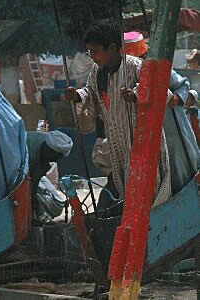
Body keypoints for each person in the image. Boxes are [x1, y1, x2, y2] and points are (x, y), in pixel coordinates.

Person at [64, 19, 171, 214]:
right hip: (118, 145)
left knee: (150, 193)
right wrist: (78, 96)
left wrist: (137, 95)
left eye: (95, 51)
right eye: (89, 51)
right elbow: (90, 92)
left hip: (143, 145)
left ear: (112, 48)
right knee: (125, 192)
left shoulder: (136, 67)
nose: (92, 56)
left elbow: (163, 92)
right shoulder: (97, 72)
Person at [125, 31, 200, 194]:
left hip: (174, 129)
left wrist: (176, 97)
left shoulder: (159, 69)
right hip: (151, 136)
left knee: (184, 167)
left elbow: (183, 85)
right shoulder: (123, 78)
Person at [26, 130, 73, 217]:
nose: (55, 160)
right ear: (50, 150)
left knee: (58, 204)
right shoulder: (28, 152)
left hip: (33, 177)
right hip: (21, 178)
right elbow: (30, 186)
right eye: (56, 156)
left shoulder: (47, 143)